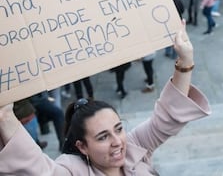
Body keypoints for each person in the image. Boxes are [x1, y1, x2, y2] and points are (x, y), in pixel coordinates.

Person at [0, 21, 211, 175]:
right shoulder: (74, 170)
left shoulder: (133, 147)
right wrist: (6, 115)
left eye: (118, 129)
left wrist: (185, 60)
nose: (117, 141)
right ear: (82, 147)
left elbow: (167, 118)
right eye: (102, 137)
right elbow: (38, 170)